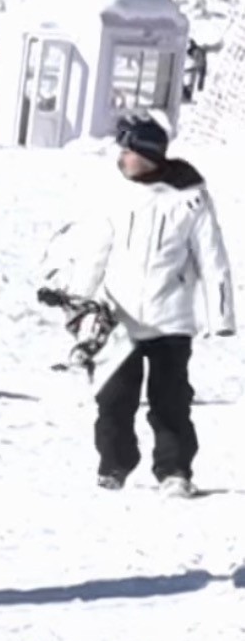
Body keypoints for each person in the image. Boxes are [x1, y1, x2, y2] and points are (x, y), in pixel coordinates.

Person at [51, 114, 234, 494]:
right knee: (113, 399)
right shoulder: (116, 192)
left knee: (170, 402)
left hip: (171, 319)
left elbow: (212, 259)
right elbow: (95, 252)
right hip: (120, 318)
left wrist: (221, 316)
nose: (122, 157)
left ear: (148, 155)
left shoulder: (190, 197)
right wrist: (78, 303)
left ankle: (175, 471)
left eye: (129, 151)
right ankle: (114, 464)